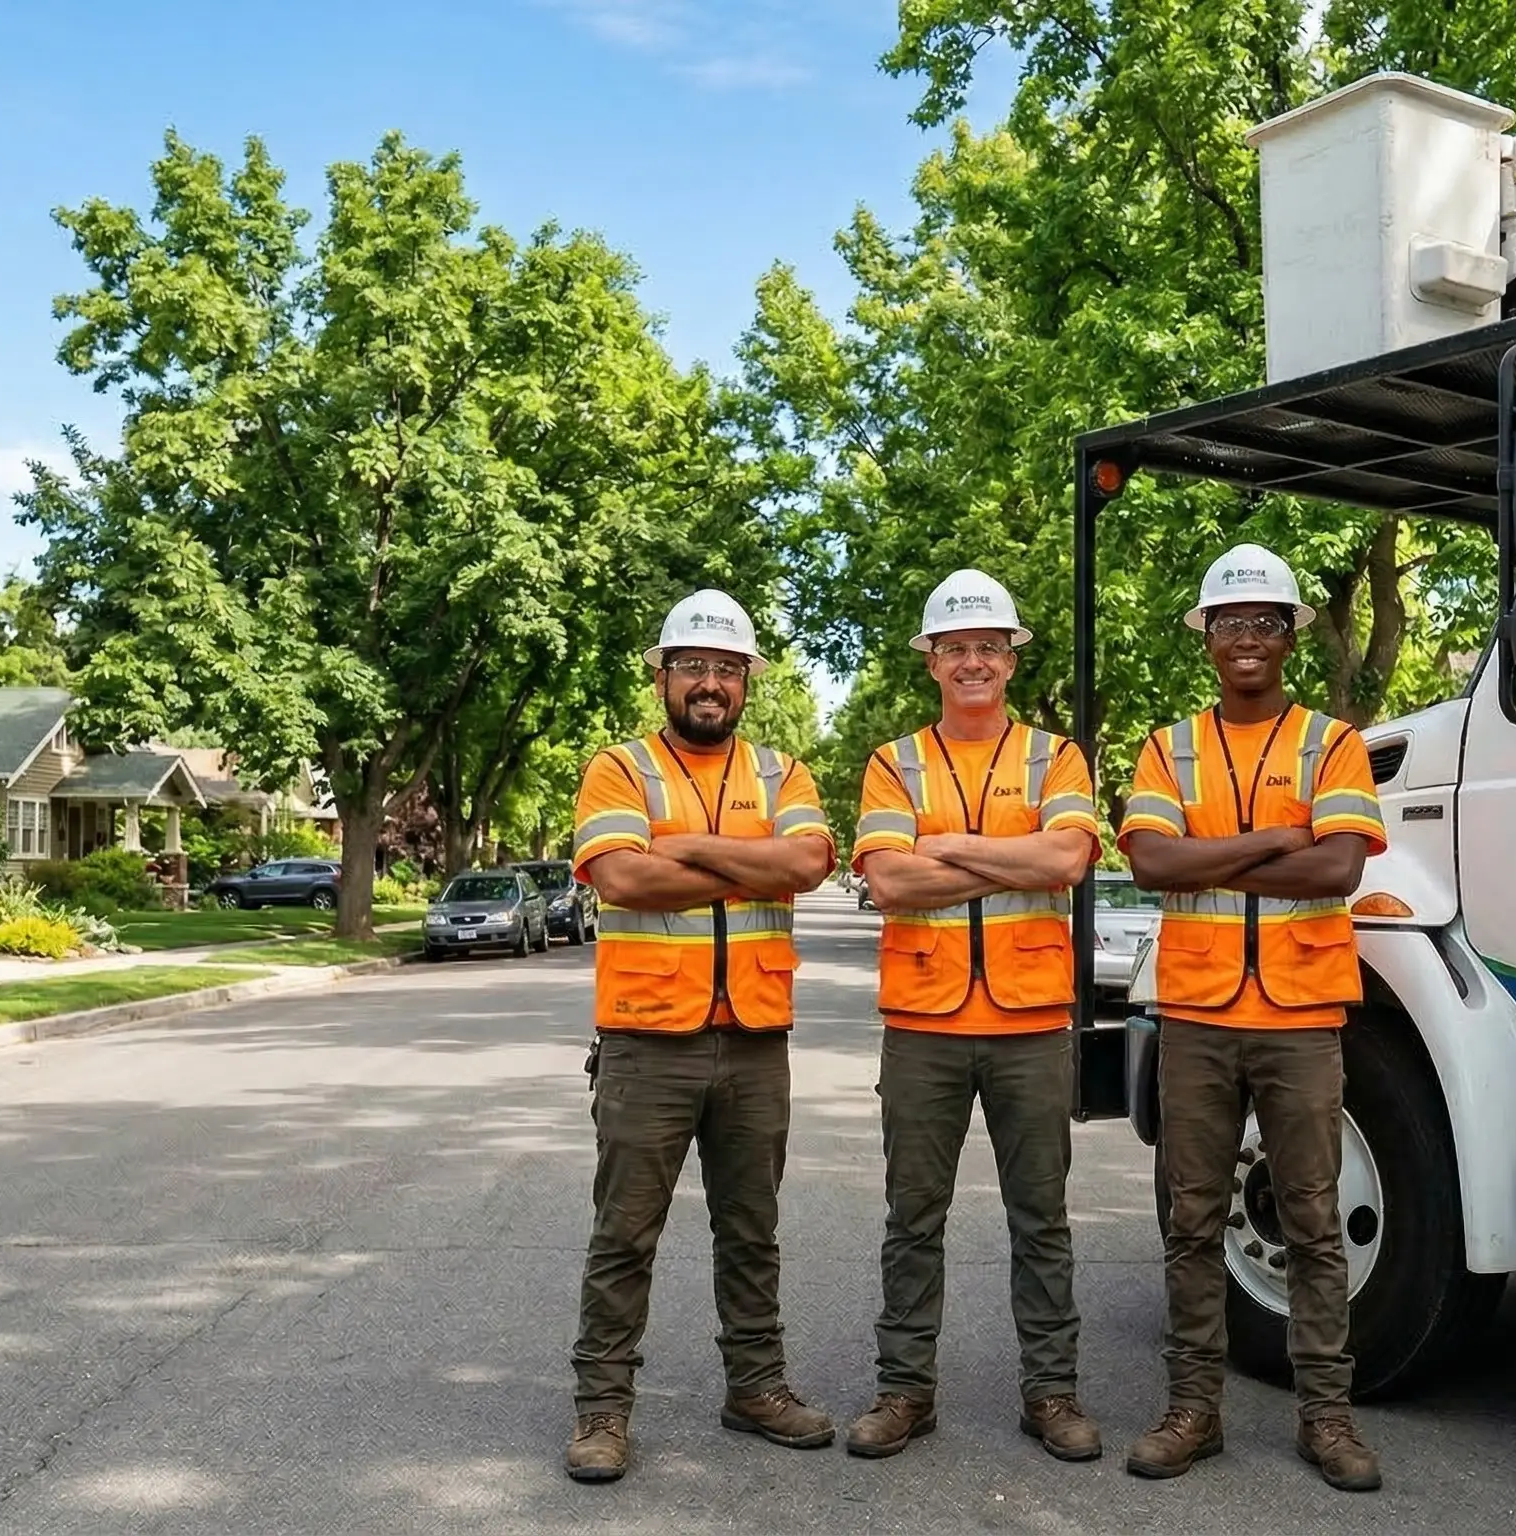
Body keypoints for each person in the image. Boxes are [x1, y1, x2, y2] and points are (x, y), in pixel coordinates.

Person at [1115, 544, 1391, 1492]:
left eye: (1265, 623)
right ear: (1207, 639)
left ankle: (1328, 1417)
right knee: (1190, 1217)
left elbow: (1337, 870)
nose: (1247, 638)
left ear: (1290, 637)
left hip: (1301, 1015)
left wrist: (1216, 852)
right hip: (1195, 1014)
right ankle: (1193, 1410)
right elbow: (1151, 865)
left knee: (1312, 1221)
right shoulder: (1168, 746)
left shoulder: (1333, 742)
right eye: (1230, 623)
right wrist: (1278, 835)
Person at [561, 588, 839, 1484]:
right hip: (648, 1039)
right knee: (624, 1236)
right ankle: (602, 1410)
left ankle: (755, 1387)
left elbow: (805, 864)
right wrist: (740, 861)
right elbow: (619, 878)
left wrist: (682, 848)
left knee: (751, 1231)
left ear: (748, 680)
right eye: (692, 668)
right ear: (663, 677)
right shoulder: (618, 768)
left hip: (755, 1037)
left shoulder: (784, 772)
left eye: (725, 668)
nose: (709, 683)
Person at [844, 569, 1104, 1463]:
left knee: (1042, 1220)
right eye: (956, 648)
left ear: (1010, 659)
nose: (972, 661)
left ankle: (1053, 1395)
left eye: (988, 647)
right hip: (924, 1023)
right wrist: (1011, 857)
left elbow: (1068, 859)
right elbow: (887, 878)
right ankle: (903, 1391)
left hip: (1031, 1023)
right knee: (912, 1219)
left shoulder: (1057, 756)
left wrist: (949, 845)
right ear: (931, 661)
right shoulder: (894, 760)